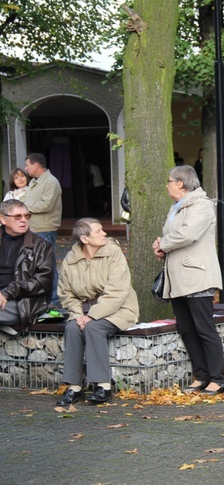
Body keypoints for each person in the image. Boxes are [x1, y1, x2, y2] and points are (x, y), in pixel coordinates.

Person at [152, 165, 224, 396]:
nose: (167, 185)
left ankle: (218, 378)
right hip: (177, 278)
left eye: (169, 181)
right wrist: (162, 247)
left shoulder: (201, 205)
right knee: (186, 328)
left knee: (204, 328)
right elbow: (174, 236)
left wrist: (163, 244)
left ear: (180, 183)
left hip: (197, 276)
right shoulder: (177, 207)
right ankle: (201, 376)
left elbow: (188, 234)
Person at [56, 218, 139, 406]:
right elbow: (66, 294)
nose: (105, 234)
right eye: (98, 232)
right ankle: (74, 387)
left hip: (119, 307)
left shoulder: (113, 253)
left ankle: (103, 386)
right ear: (85, 239)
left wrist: (91, 316)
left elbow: (117, 292)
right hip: (84, 310)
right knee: (72, 328)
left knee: (93, 328)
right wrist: (78, 316)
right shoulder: (70, 260)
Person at [0, 200, 54, 336]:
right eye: (18, 216)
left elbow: (43, 281)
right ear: (3, 219)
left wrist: (8, 292)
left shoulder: (41, 245)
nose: (23, 220)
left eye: (26, 216)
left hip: (23, 302)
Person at [24, 153, 62, 306]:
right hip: (32, 227)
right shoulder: (34, 181)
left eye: (27, 165)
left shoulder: (51, 182)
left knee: (48, 264)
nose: (26, 168)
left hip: (45, 228)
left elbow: (46, 205)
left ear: (36, 166)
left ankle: (54, 299)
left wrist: (23, 208)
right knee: (34, 265)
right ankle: (42, 298)